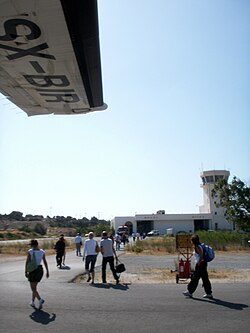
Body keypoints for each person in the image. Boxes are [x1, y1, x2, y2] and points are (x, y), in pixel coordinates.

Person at [183, 234, 213, 299]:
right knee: (205, 279)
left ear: (193, 241)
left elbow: (201, 256)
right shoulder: (201, 246)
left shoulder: (197, 247)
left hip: (200, 264)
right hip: (203, 264)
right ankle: (209, 293)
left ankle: (190, 291)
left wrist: (198, 264)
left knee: (195, 278)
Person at [25, 239, 49, 309]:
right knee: (34, 288)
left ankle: (40, 300)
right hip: (40, 270)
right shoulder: (42, 252)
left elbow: (27, 262)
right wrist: (47, 271)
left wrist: (26, 271)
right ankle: (32, 302)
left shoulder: (30, 251)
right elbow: (45, 261)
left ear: (32, 245)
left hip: (33, 270)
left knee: (33, 288)